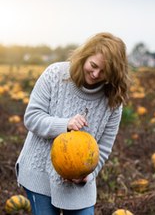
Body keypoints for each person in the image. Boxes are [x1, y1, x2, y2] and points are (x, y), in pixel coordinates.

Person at [15, 32, 131, 215]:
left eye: (104, 72)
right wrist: (65, 125)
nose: (95, 74)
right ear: (85, 56)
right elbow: (32, 118)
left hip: (79, 179)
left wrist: (88, 175)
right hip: (39, 171)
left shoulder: (113, 102)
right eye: (93, 66)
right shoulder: (55, 74)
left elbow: (104, 147)